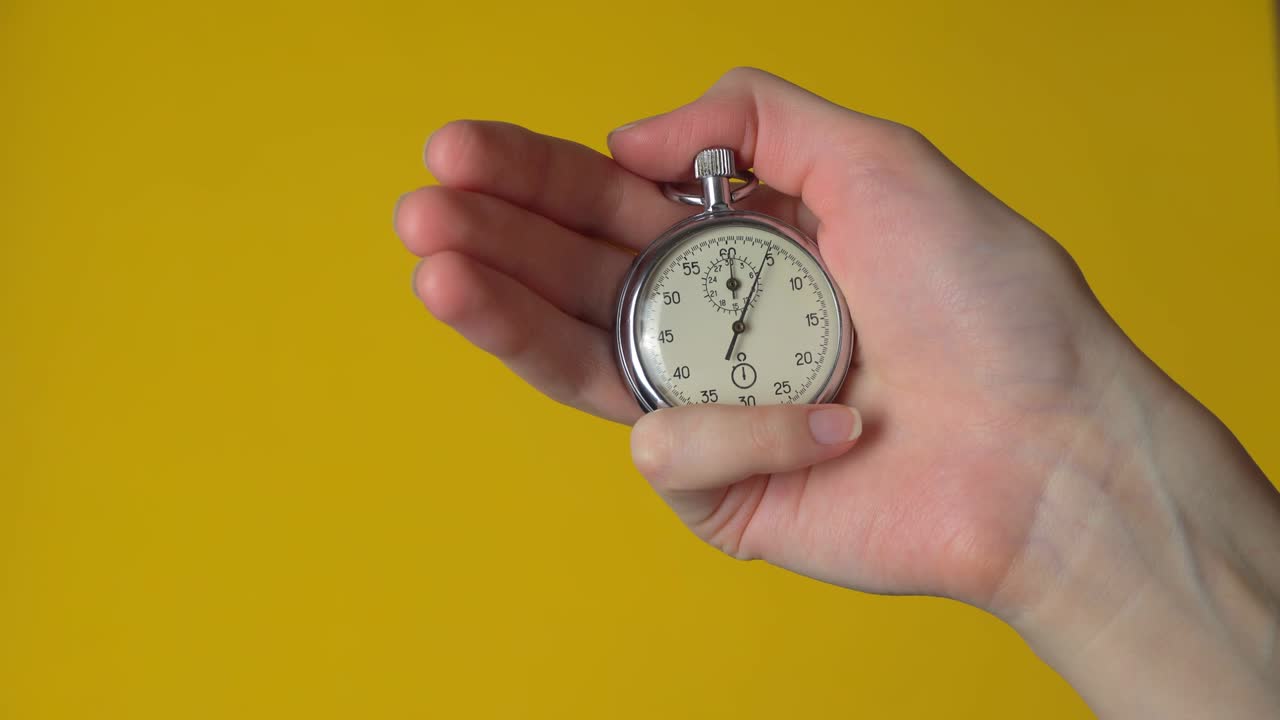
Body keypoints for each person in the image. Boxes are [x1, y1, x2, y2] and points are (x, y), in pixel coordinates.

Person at [392, 68, 1279, 718]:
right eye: (729, 311)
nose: (739, 333)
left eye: (752, 301)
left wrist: (1062, 459)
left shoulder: (810, 272)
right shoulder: (698, 274)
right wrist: (1066, 524)